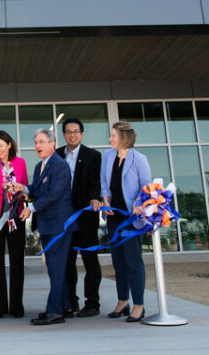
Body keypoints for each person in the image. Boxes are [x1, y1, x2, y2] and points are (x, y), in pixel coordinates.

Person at [18, 129, 73, 326]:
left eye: (41, 141)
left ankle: (55, 311)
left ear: (52, 143)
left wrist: (31, 207)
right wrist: (24, 189)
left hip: (59, 224)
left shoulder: (59, 165)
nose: (37, 146)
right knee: (55, 268)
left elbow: (54, 194)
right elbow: (37, 189)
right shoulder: (41, 165)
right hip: (48, 224)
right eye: (35, 142)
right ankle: (65, 306)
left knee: (55, 269)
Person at [101, 121, 151, 322]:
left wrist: (139, 204)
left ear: (124, 137)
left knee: (133, 263)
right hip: (113, 218)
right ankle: (123, 301)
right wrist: (105, 199)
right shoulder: (108, 155)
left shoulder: (139, 159)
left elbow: (146, 187)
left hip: (131, 220)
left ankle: (139, 305)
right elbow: (104, 181)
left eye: (113, 135)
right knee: (118, 262)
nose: (110, 139)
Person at [56, 119, 102, 318]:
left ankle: (92, 302)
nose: (72, 135)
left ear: (81, 134)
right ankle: (70, 301)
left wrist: (95, 198)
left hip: (85, 216)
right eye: (68, 132)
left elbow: (96, 181)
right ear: (63, 134)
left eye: (76, 131)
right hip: (64, 218)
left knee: (90, 261)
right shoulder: (56, 154)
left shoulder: (92, 156)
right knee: (67, 262)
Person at [0, 130, 28, 318]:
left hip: (16, 216)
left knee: (17, 261)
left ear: (9, 145)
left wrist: (22, 190)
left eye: (1, 145)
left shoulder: (20, 162)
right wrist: (1, 186)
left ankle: (17, 306)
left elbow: (25, 186)